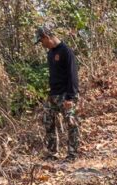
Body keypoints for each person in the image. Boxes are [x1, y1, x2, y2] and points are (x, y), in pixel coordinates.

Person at [35, 25, 80, 160]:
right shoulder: (50, 53)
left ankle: (72, 154)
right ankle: (52, 153)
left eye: (41, 41)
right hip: (53, 95)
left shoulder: (66, 51)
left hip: (67, 95)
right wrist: (50, 94)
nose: (41, 44)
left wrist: (70, 97)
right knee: (47, 121)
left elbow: (73, 75)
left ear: (46, 37)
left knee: (71, 123)